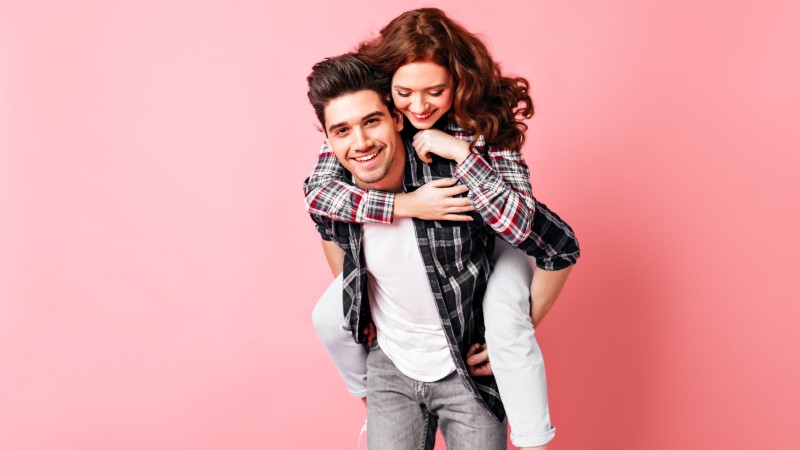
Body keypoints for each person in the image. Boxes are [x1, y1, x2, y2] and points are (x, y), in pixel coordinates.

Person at [305, 8, 580, 450]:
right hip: (397, 352)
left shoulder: (482, 124)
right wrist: (406, 206)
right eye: (404, 94)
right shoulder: (364, 125)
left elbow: (524, 225)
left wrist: (463, 155)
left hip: (494, 237)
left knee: (505, 315)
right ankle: (371, 399)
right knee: (328, 315)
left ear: (458, 83)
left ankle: (532, 434)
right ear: (386, 90)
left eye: (435, 91)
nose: (419, 107)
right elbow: (321, 200)